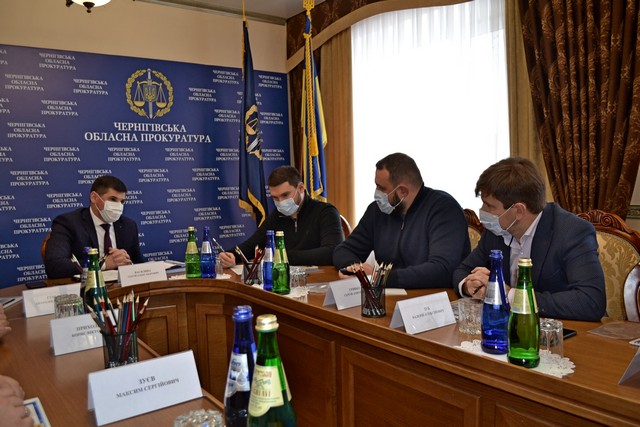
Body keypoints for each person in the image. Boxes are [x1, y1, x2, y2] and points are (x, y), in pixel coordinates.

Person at [453, 157, 606, 321]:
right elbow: (462, 270)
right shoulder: (496, 230)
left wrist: (510, 295)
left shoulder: (571, 232)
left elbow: (590, 301)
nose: (482, 211)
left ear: (519, 211)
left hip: (561, 329)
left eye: (489, 206)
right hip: (507, 326)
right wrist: (469, 285)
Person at [333, 153, 470, 289]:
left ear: (403, 191)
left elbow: (441, 270)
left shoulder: (444, 210)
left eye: (382, 188)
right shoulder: (377, 211)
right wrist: (355, 270)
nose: (377, 193)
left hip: (432, 297)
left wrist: (380, 277)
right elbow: (344, 250)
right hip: (388, 295)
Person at [219, 166, 344, 266]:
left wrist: (283, 257)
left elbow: (332, 251)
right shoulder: (277, 216)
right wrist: (232, 255)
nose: (281, 202)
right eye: (275, 198)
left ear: (301, 188)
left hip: (320, 281)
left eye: (285, 195)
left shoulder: (326, 212)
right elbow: (251, 245)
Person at [44, 175, 144, 279]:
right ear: (94, 197)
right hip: (84, 287)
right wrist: (102, 264)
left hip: (121, 287)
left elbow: (139, 264)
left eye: (122, 201)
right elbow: (54, 266)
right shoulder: (68, 223)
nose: (118, 206)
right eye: (113, 199)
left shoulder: (128, 225)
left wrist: (127, 262)